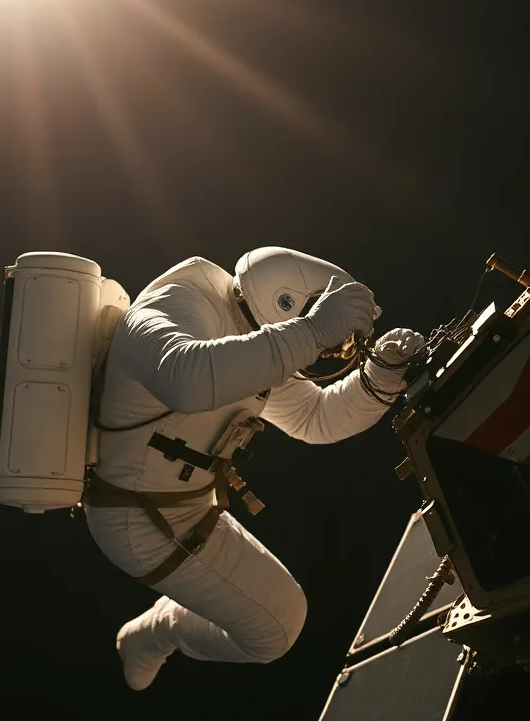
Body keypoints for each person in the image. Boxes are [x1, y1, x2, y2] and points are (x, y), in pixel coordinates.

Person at [84, 246, 425, 690]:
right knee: (274, 631)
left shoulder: (254, 332)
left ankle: (169, 619)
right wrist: (312, 331)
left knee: (284, 619)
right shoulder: (170, 305)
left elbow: (313, 416)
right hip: (137, 520)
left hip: (189, 505)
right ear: (285, 302)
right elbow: (185, 377)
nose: (318, 352)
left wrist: (381, 376)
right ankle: (160, 631)